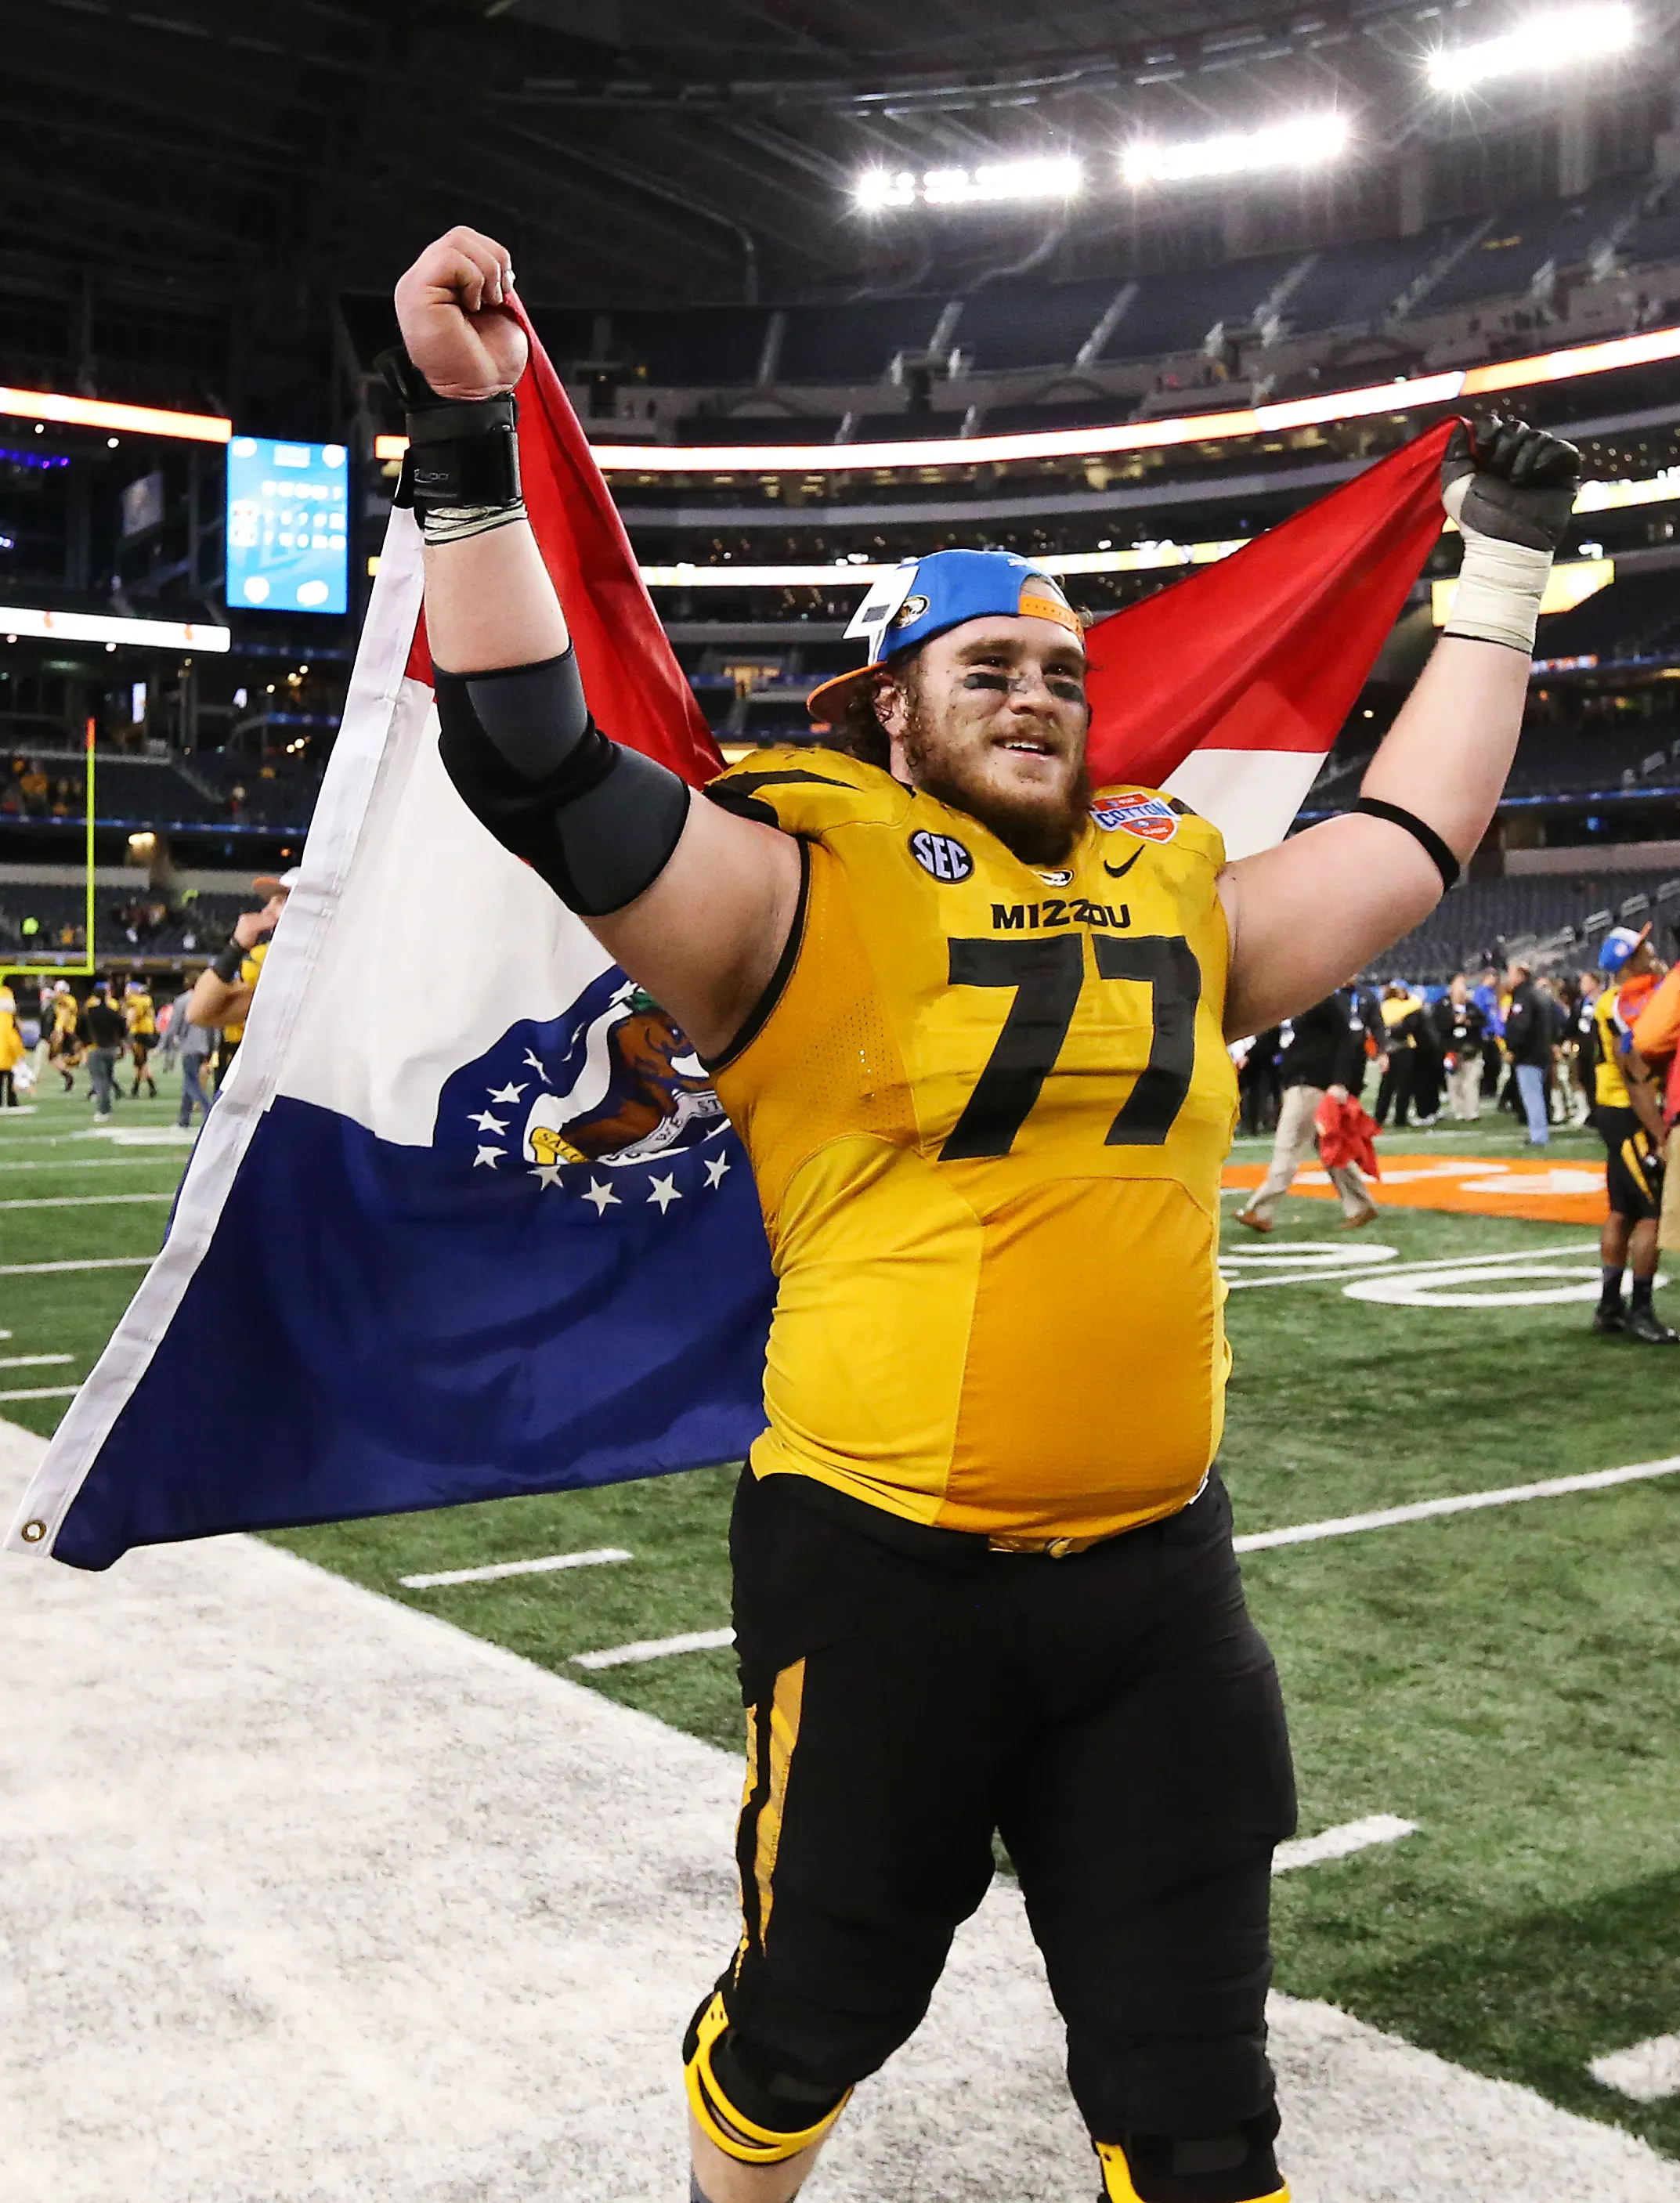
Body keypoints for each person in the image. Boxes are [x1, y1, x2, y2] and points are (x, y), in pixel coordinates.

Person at [391, 224, 1581, 2203]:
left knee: (1200, 2109)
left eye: (1062, 670)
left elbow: (1409, 835)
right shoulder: (789, 883)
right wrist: (462, 434)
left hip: (1156, 1589)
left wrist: (1508, 575)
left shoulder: (1175, 888)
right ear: (885, 708)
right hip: (883, 1580)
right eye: (988, 670)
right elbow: (527, 746)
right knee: (804, 2027)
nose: (1037, 696)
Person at [1586, 926, 1676, 1343]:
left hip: (1614, 1109)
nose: (1653, 952)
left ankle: (1609, 1305)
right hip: (1631, 1113)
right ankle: (1640, 1309)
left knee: (1622, 1209)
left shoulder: (1613, 999)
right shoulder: (1629, 1000)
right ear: (1628, 959)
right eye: (1643, 948)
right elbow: (1636, 1067)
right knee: (1652, 1214)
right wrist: (1659, 1131)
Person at [1234, 990, 1376, 1230]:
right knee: (1330, 1150)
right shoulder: (1287, 1002)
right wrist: (1249, 1059)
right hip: (1298, 1083)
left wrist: (1341, 1081)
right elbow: (1272, 1039)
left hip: (1310, 1085)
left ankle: (1260, 1211)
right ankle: (1361, 1205)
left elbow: (1347, 1038)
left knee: (1287, 1146)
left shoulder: (1322, 998)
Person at [186, 868, 297, 1084]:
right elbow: (198, 1014)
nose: (268, 909)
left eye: (280, 901)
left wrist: (237, 946)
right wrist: (235, 948)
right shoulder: (271, 964)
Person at [1501, 956, 1554, 1146]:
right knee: (1537, 1094)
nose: (1508, 977)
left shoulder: (1524, 997)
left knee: (1532, 1096)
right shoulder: (1537, 994)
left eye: (1511, 973)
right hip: (1540, 1052)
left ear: (1520, 975)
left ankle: (1538, 1136)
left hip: (1529, 1055)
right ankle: (1538, 1133)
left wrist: (1513, 1048)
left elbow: (1520, 1027)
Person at [1435, 973, 1486, 1121]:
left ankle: (1472, 1111)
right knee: (1455, 1082)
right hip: (1452, 1049)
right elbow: (1438, 1025)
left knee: (1471, 1081)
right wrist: (1454, 1021)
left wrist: (1469, 1021)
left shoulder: (1471, 1006)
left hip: (1471, 1048)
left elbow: (1483, 1021)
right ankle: (1459, 1111)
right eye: (1459, 984)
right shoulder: (1442, 1005)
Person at [78, 980, 128, 1120]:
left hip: (95, 1048)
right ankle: (107, 1108)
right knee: (107, 1078)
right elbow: (123, 1027)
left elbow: (79, 1028)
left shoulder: (89, 1012)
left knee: (100, 1081)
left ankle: (103, 1110)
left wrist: (85, 1041)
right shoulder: (112, 1012)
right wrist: (118, 1041)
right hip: (111, 1049)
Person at [168, 980, 214, 1129]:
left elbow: (175, 1023)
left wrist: (166, 1043)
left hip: (190, 1046)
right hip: (204, 1046)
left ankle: (208, 1111)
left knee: (191, 1082)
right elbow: (213, 1027)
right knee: (190, 1081)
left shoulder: (183, 1000)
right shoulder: (206, 999)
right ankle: (183, 1120)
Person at [124, 977, 159, 1098]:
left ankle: (150, 1087)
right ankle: (137, 1089)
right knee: (140, 1063)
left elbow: (132, 1017)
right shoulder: (146, 1000)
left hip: (139, 1032)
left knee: (141, 1062)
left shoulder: (134, 1001)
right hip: (147, 1031)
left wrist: (125, 1030)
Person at [0, 974, 23, 1108]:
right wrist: (19, 1053)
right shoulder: (8, 1019)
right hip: (7, 1054)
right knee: (10, 1077)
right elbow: (13, 1039)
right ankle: (12, 1101)